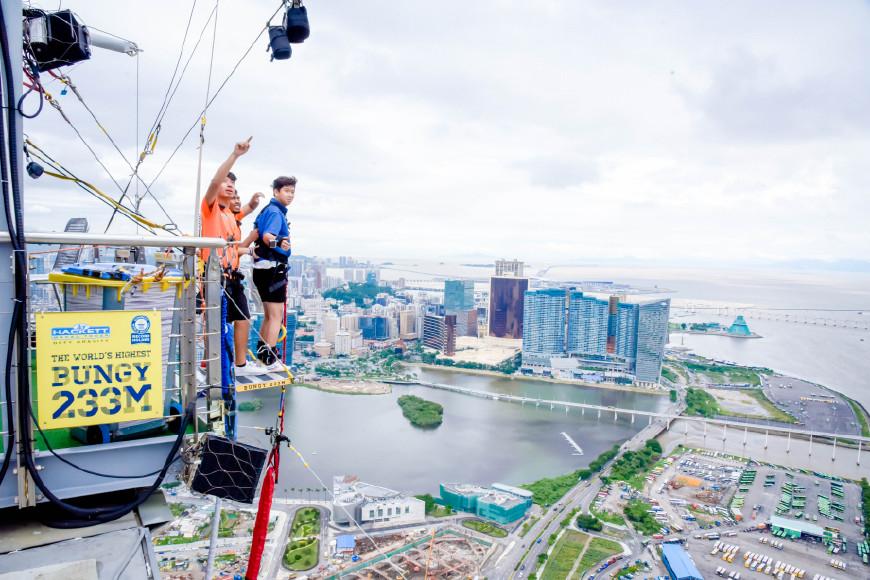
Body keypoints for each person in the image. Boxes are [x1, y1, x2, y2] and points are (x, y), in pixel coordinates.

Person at [199, 137, 264, 376]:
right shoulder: (210, 210)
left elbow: (243, 211)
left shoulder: (230, 215)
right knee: (217, 323)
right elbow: (215, 181)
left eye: (233, 185)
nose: (229, 187)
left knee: (243, 318)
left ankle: (240, 364)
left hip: (233, 277)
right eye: (225, 184)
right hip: (215, 275)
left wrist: (253, 204)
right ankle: (212, 365)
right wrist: (235, 155)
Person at [250, 176, 296, 370]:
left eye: (292, 192)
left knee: (269, 316)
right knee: (276, 316)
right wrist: (280, 243)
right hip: (273, 270)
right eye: (286, 191)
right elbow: (268, 237)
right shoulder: (276, 213)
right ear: (276, 192)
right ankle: (269, 359)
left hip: (262, 269)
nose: (290, 195)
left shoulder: (267, 210)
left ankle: (262, 356)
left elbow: (256, 234)